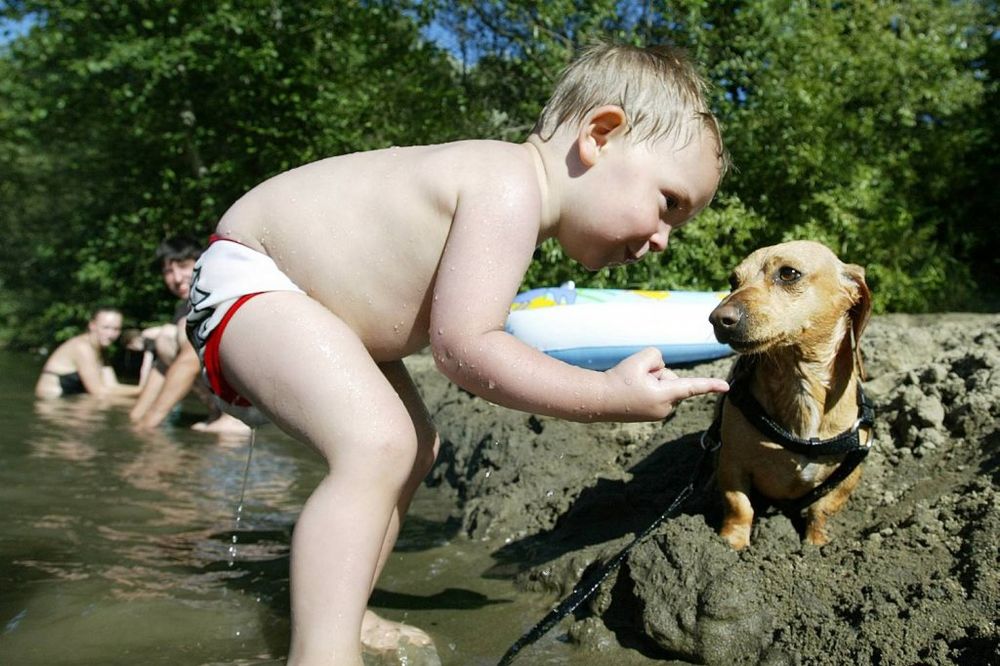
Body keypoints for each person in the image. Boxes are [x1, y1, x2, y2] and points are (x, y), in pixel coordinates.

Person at [187, 42, 731, 664]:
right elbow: (465, 348)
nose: (663, 239)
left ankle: (341, 613)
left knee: (415, 446)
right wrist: (608, 396)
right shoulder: (507, 184)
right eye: (669, 204)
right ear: (600, 135)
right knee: (378, 444)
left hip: (311, 303)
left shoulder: (511, 192)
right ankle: (321, 655)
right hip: (255, 276)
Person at [129, 236, 248, 433]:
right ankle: (219, 414)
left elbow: (189, 360)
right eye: (168, 271)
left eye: (183, 266)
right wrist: (135, 417)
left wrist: (146, 425)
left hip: (251, 400)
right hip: (228, 396)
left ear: (200, 264)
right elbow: (163, 365)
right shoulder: (185, 307)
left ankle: (234, 420)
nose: (176, 278)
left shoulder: (217, 296)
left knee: (177, 333)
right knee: (166, 337)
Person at [35, 307, 142, 399]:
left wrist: (145, 391)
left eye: (116, 329)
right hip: (55, 403)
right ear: (92, 326)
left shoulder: (101, 350)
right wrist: (144, 390)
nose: (111, 334)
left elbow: (112, 386)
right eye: (106, 328)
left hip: (74, 399)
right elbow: (98, 392)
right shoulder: (82, 348)